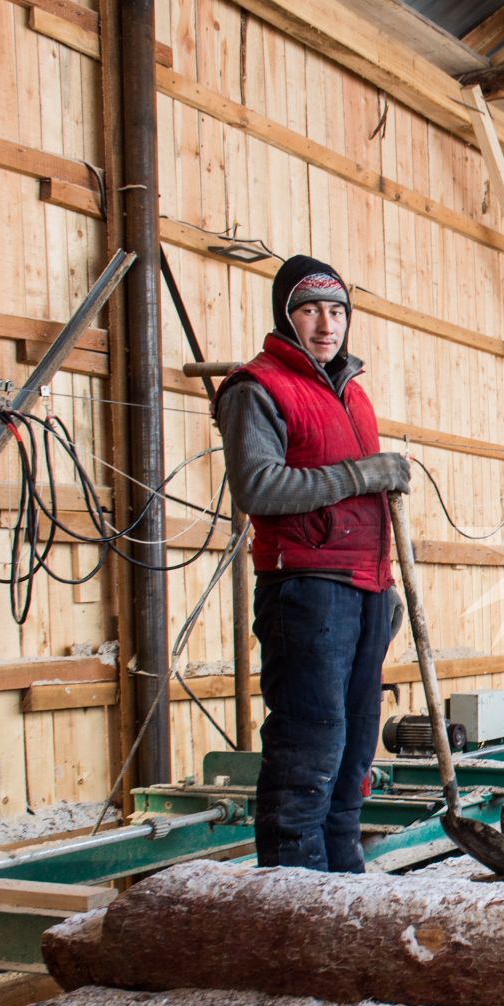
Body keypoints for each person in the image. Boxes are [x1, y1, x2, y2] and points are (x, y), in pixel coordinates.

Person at [215, 256, 410, 872]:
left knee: (354, 747)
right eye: (309, 309)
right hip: (306, 589)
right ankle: (293, 895)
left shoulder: (353, 392)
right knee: (311, 742)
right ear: (286, 315)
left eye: (336, 310)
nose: (326, 324)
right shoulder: (259, 388)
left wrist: (382, 586)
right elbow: (259, 487)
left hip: (361, 588)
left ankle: (343, 890)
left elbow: (360, 506)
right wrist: (363, 473)